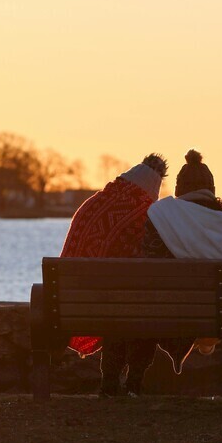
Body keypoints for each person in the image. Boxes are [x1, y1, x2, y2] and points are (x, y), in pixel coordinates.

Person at [122, 149, 222, 395]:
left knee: (146, 304)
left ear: (179, 188)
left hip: (164, 310)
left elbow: (149, 263)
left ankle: (133, 384)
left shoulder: (160, 215)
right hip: (218, 314)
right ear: (211, 188)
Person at [59, 153, 168, 397]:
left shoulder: (93, 203)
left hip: (70, 303)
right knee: (134, 310)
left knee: (117, 308)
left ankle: (110, 383)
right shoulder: (144, 212)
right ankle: (132, 383)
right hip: (111, 305)